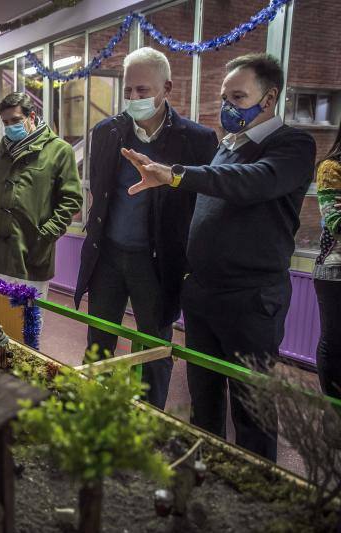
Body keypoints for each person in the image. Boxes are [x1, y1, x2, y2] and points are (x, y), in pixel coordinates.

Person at [121, 53, 316, 461]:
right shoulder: (227, 146)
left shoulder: (292, 145)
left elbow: (251, 183)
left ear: (269, 98)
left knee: (252, 409)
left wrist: (176, 174)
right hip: (203, 294)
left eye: (238, 96)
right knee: (203, 400)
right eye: (225, 96)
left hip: (250, 299)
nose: (228, 105)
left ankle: (256, 491)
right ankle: (202, 474)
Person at [74, 47, 217, 409]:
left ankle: (151, 424)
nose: (134, 98)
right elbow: (100, 194)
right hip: (108, 256)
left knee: (154, 346)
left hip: (156, 263)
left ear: (166, 88)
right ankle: (94, 414)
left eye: (143, 91)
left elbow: (204, 204)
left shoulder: (196, 140)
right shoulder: (107, 132)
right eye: (128, 92)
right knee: (99, 341)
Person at [0, 92, 81, 299]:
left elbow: (71, 199)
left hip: (31, 252)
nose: (10, 126)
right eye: (5, 122)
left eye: (16, 120)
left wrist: (46, 235)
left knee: (28, 324)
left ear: (31, 117)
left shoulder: (59, 151)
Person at [314, 124, 341, 399]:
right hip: (335, 272)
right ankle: (333, 419)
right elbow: (336, 222)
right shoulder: (331, 168)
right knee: (335, 344)